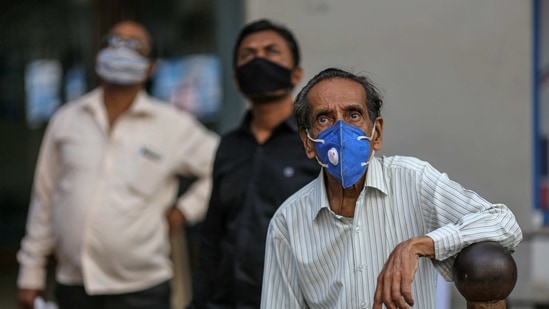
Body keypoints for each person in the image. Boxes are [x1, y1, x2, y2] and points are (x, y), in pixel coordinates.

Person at [261, 68, 523, 309]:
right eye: (324, 118)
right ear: (308, 142)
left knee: (488, 263)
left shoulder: (412, 180)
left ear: (377, 134)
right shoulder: (288, 222)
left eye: (354, 115)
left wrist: (420, 245)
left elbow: (504, 223)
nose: (341, 131)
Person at [16, 20, 219, 309]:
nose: (121, 50)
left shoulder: (173, 125)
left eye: (134, 46)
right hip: (74, 285)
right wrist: (30, 273)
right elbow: (45, 197)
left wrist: (183, 212)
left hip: (142, 289)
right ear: (98, 56)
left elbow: (222, 167)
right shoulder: (67, 119)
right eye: (113, 42)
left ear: (151, 67)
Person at [189, 19, 320, 308]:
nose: (258, 60)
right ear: (237, 79)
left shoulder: (316, 144)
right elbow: (213, 234)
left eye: (272, 52)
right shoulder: (229, 146)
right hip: (227, 300)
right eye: (248, 55)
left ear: (296, 73)